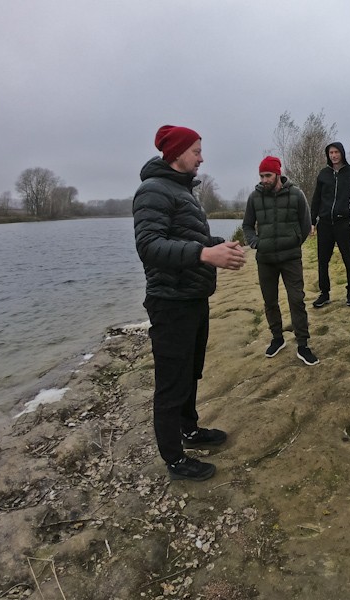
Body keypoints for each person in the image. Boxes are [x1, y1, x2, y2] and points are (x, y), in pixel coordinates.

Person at [133, 125, 246, 482]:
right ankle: (175, 459)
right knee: (171, 383)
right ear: (177, 153)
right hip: (170, 302)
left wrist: (218, 244)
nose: (201, 157)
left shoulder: (182, 191)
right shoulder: (153, 191)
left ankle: (189, 429)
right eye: (196, 150)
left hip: (193, 297)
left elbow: (185, 236)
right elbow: (149, 246)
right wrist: (204, 252)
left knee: (190, 372)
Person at [242, 156, 319, 366]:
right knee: (270, 301)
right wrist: (255, 242)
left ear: (278, 173)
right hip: (265, 259)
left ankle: (303, 344)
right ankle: (277, 338)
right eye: (261, 176)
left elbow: (305, 224)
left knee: (296, 300)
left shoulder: (296, 194)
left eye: (268, 175)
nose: (264, 180)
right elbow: (247, 225)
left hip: (291, 258)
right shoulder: (254, 197)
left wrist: (295, 242)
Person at [310, 142, 350, 308]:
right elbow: (316, 199)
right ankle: (324, 293)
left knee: (349, 259)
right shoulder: (323, 174)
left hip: (343, 223)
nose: (334, 155)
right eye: (331, 152)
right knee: (322, 260)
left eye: (336, 152)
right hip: (324, 223)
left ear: (342, 153)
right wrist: (312, 221)